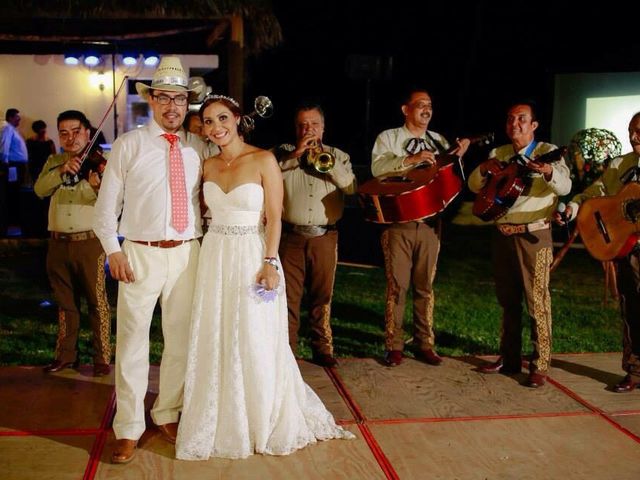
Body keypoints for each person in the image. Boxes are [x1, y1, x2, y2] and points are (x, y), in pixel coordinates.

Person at [175, 95, 354, 461]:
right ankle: (220, 414)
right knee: (218, 332)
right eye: (207, 122)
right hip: (215, 256)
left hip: (252, 256)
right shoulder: (206, 164)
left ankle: (259, 418)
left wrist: (270, 262)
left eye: (222, 118)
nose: (215, 127)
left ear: (238, 119)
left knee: (255, 336)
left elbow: (274, 216)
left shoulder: (263, 159)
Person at [93, 57, 206, 464]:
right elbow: (105, 210)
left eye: (179, 99)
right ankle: (127, 427)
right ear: (152, 101)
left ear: (187, 103)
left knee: (179, 340)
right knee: (133, 341)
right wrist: (114, 250)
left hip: (187, 253)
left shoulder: (198, 148)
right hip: (139, 253)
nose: (172, 106)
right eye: (164, 98)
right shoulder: (129, 145)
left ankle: (167, 412)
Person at [469, 100, 571, 388]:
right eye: (511, 119)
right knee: (507, 300)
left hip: (534, 236)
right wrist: (483, 170)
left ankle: (540, 364)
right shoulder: (498, 153)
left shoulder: (547, 152)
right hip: (502, 234)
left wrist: (548, 172)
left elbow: (565, 186)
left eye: (522, 119)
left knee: (537, 300)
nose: (515, 124)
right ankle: (509, 357)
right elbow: (475, 187)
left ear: (534, 125)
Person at [371, 87, 469, 367]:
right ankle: (394, 344)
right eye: (420, 105)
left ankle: (425, 343)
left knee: (425, 287)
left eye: (430, 105)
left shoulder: (438, 140)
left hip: (429, 225)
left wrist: (456, 157)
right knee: (397, 287)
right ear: (406, 109)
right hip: (398, 223)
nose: (427, 110)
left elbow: (448, 181)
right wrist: (410, 160)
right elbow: (378, 169)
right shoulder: (389, 138)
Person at [561, 112, 640, 392]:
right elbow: (598, 191)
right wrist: (573, 206)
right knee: (632, 309)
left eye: (639, 131)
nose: (633, 136)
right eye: (631, 130)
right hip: (628, 249)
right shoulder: (621, 165)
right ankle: (634, 371)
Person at [275, 102, 357, 367]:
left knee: (322, 295)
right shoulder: (281, 154)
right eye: (302, 124)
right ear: (295, 128)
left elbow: (351, 188)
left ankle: (322, 348)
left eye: (313, 124)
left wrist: (329, 164)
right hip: (291, 237)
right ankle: (287, 350)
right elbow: (267, 177)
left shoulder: (339, 156)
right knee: (288, 297)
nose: (308, 129)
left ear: (323, 128)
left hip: (324, 236)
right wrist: (296, 156)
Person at [34, 110, 111, 377]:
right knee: (65, 304)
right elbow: (39, 189)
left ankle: (102, 357)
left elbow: (116, 202)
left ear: (88, 132)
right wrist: (61, 171)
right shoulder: (54, 160)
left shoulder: (102, 161)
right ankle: (66, 356)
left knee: (96, 302)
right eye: (64, 132)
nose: (70, 137)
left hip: (89, 242)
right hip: (57, 243)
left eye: (76, 131)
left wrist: (98, 189)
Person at [0, 108, 28, 235]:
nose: (19, 119)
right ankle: (11, 223)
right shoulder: (7, 128)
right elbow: (4, 146)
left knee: (15, 192)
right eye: (17, 117)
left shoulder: (12, 129)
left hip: (16, 166)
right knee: (12, 192)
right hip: (12, 167)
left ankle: (13, 222)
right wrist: (4, 164)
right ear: (11, 117)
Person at [26, 120, 56, 184]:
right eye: (42, 129)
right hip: (35, 167)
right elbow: (28, 155)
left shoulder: (49, 142)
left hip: (45, 167)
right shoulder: (30, 141)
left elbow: (54, 156)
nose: (44, 131)